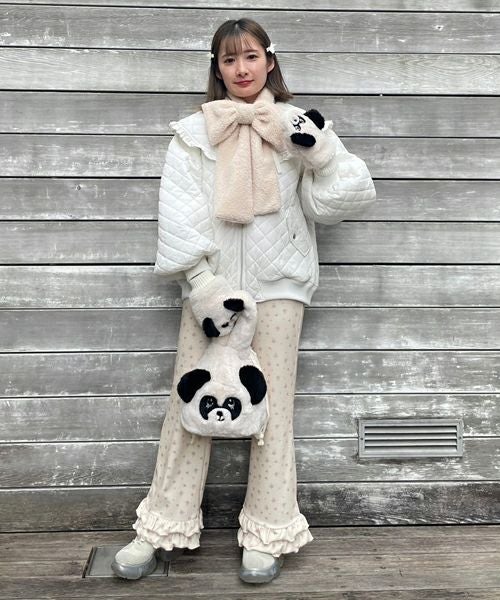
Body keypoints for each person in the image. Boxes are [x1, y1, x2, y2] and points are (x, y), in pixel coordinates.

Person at [111, 17, 376, 584]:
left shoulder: (297, 125)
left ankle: (268, 532)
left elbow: (339, 202)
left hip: (280, 284)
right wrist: (201, 284)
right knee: (190, 402)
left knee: (271, 409)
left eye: (251, 56)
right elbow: (178, 214)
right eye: (229, 59)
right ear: (218, 68)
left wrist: (321, 154)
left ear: (269, 61)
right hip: (210, 291)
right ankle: (160, 526)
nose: (241, 69)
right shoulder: (192, 133)